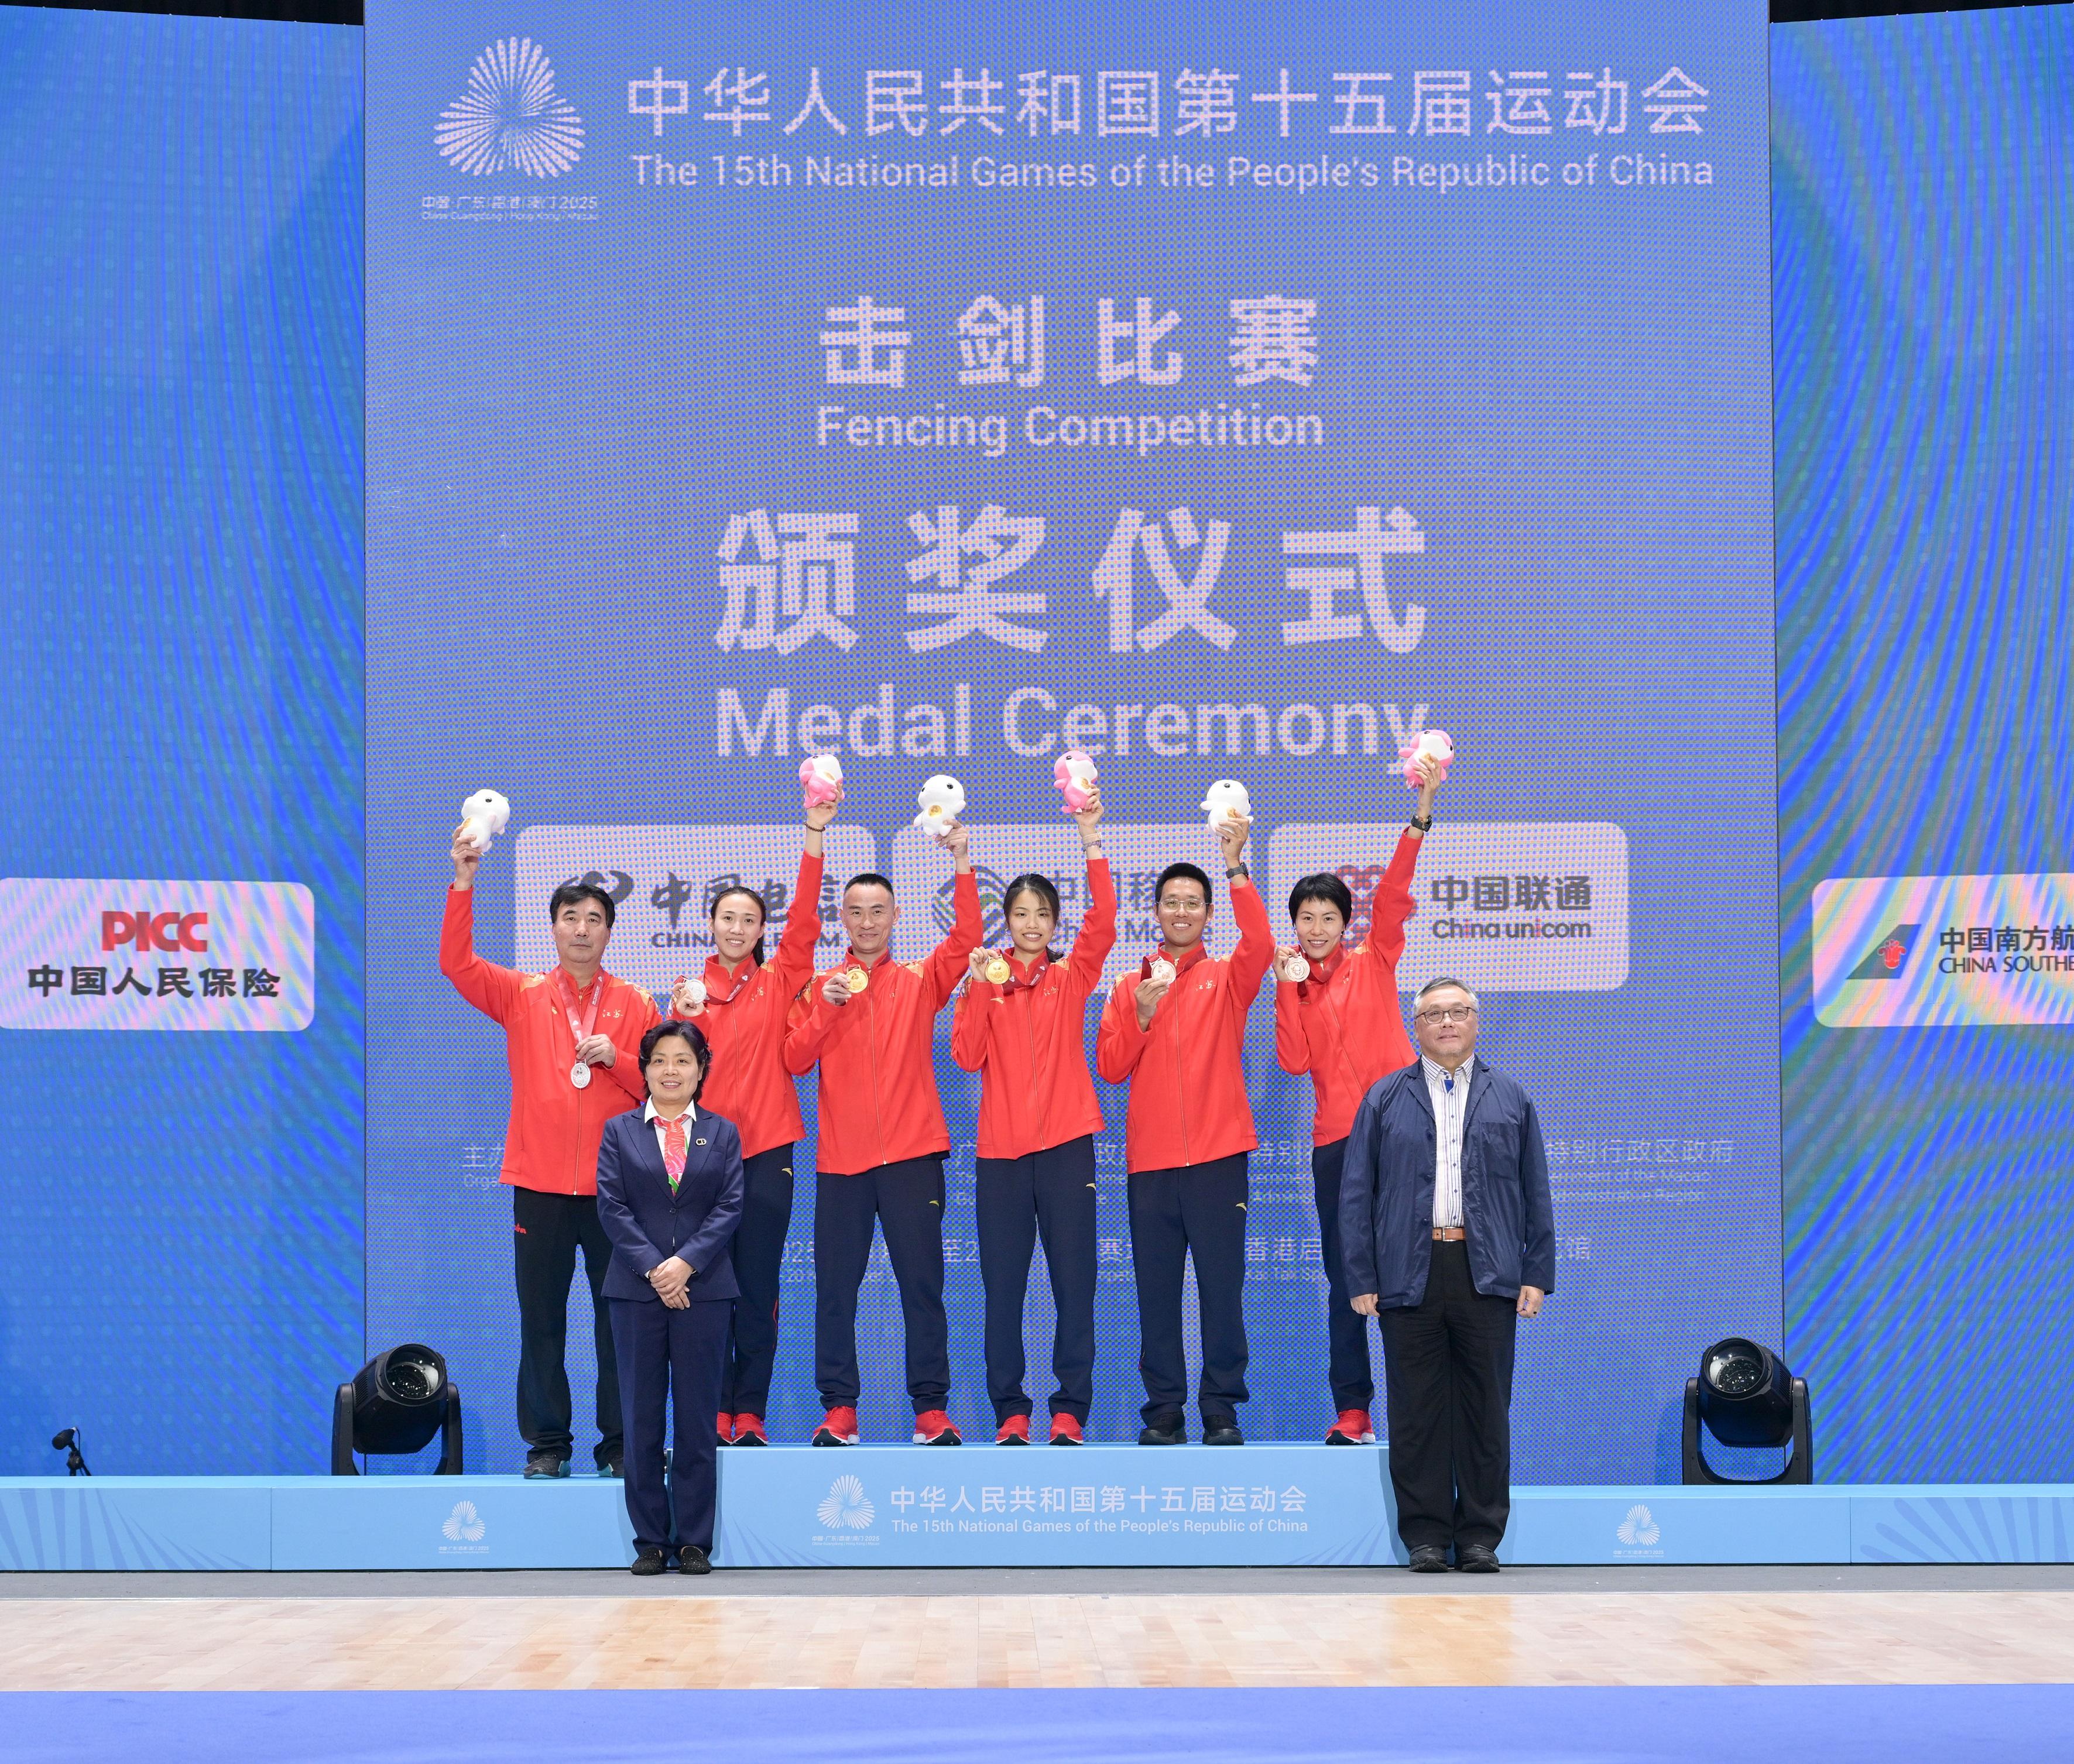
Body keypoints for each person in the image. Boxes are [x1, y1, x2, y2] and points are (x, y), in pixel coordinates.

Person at [443, 825, 658, 1478]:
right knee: (541, 1321)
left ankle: (620, 1445)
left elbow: (662, 1084)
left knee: (618, 1322)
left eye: (595, 919)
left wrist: (617, 1057)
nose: (583, 929)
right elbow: (457, 964)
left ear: (609, 931)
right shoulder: (523, 994)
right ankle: (547, 1444)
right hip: (537, 1184)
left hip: (616, 1190)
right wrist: (464, 881)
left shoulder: (636, 1002)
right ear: (554, 927)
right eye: (571, 918)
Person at [1340, 976, 1555, 1573]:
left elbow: (1536, 1191)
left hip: (1486, 1271)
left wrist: (1536, 1270)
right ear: (1418, 1027)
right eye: (1434, 1013)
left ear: (1476, 1021)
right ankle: (1427, 1536)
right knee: (1416, 1409)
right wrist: (1362, 1275)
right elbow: (1357, 1195)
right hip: (1409, 1270)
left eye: (1458, 1011)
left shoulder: (1511, 1097)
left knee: (1486, 1406)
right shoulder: (1384, 1098)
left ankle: (1481, 1534)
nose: (1447, 1022)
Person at [783, 821, 983, 1446]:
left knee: (923, 1287)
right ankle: (840, 1410)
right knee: (835, 1293)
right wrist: (827, 1009)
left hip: (911, 1157)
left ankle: (930, 1410)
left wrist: (963, 860)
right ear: (841, 918)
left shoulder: (920, 980)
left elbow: (969, 937)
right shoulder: (821, 986)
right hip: (841, 1163)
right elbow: (794, 1059)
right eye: (856, 912)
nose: (867, 922)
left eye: (878, 911)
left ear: (896, 915)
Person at [1274, 756, 1442, 1444]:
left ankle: (1418, 1407)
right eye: (1306, 918)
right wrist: (1286, 987)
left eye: (1327, 916)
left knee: (1413, 1275)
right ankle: (1353, 1410)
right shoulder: (1294, 982)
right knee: (1350, 1280)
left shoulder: (1376, 958)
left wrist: (1419, 818)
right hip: (1335, 1144)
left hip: (1403, 1132)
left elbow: (1397, 893)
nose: (1316, 928)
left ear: (1346, 920)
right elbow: (1292, 1060)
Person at [668, 792, 841, 1446]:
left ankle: (750, 1412)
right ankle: (713, 1408)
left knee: (758, 1285)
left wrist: (814, 834)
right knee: (708, 1285)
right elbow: (674, 1074)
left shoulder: (781, 979)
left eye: (749, 920)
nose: (738, 928)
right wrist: (684, 1015)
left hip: (768, 1150)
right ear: (710, 924)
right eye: (727, 918)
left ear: (761, 930)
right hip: (704, 1153)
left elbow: (805, 920)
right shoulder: (689, 993)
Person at [1096, 814, 1273, 1446]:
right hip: (1151, 1164)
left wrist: (1235, 867)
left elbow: (1262, 942)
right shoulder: (1129, 983)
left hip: (1220, 1157)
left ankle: (1221, 1408)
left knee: (1222, 1292)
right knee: (1157, 1296)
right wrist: (1142, 1013)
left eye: (1192, 903)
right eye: (1170, 902)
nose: (1180, 911)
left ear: (1206, 913)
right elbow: (1111, 1068)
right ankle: (1164, 1409)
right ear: (1157, 912)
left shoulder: (1227, 977)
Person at [951, 788, 1116, 1444]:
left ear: (1053, 923)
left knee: (1076, 1286)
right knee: (1004, 1292)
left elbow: (1104, 918)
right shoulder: (987, 981)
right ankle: (1011, 1411)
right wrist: (972, 989)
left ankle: (1069, 1409)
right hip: (1001, 1158)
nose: (1030, 924)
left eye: (1042, 914)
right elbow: (965, 1057)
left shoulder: (1071, 976)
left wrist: (1091, 838)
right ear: (1007, 921)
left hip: (1068, 1148)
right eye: (1020, 914)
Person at [594, 1021, 743, 1576]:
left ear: (701, 1069)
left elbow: (729, 1207)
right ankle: (651, 1540)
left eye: (683, 1060)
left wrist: (686, 1265)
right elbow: (612, 1207)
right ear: (645, 1069)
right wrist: (657, 1268)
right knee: (641, 1417)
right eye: (660, 1060)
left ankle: (694, 1540)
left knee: (697, 1418)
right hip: (636, 1291)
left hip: (704, 1291)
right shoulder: (619, 1131)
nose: (671, 1071)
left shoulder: (723, 1133)